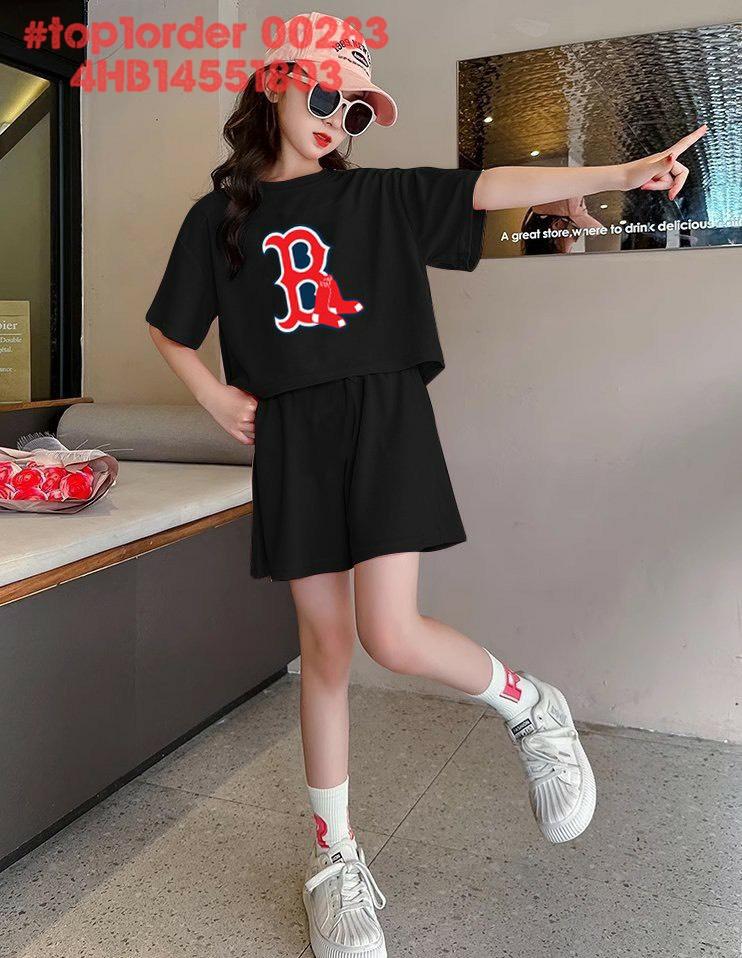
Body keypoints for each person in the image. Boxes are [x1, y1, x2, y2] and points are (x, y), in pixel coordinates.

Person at [145, 13, 708, 958]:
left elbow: (492, 184)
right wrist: (210, 394)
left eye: (355, 110)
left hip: (385, 416)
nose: (338, 119)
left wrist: (616, 172)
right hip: (291, 433)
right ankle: (334, 860)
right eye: (325, 95)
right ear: (274, 85)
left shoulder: (379, 196)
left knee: (390, 634)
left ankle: (530, 706)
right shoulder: (219, 218)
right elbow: (170, 329)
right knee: (324, 650)